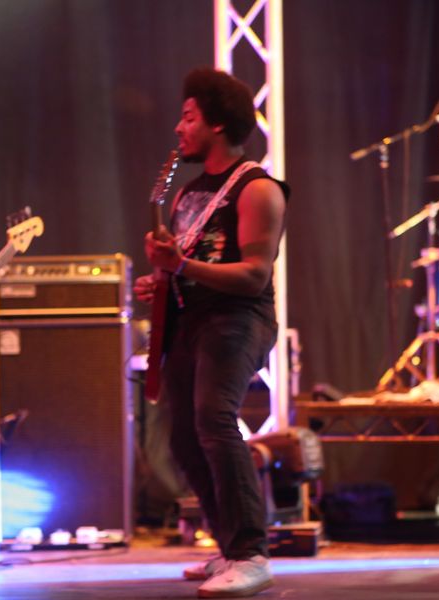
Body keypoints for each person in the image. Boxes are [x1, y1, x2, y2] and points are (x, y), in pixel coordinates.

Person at [134, 67, 289, 598]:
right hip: (192, 321)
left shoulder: (258, 188)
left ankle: (252, 554)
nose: (179, 128)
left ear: (217, 124)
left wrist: (181, 267)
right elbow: (187, 266)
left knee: (215, 420)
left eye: (188, 117)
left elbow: (254, 276)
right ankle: (228, 547)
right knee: (182, 436)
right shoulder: (187, 194)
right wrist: (160, 280)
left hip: (238, 319)